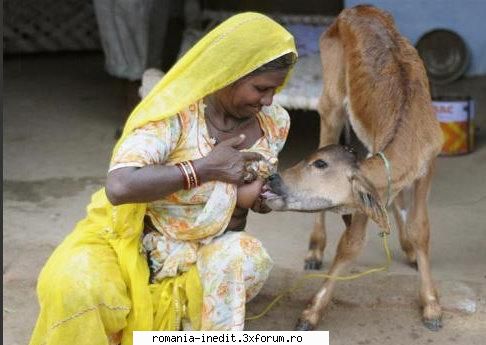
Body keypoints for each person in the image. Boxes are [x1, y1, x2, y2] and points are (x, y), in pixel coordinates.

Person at [29, 12, 297, 345]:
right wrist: (204, 169)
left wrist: (259, 199)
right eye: (260, 88)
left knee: (244, 257)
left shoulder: (275, 122)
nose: (268, 100)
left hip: (204, 254)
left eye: (276, 89)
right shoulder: (176, 115)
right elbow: (120, 185)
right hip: (136, 245)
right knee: (74, 281)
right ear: (231, 72)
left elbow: (242, 204)